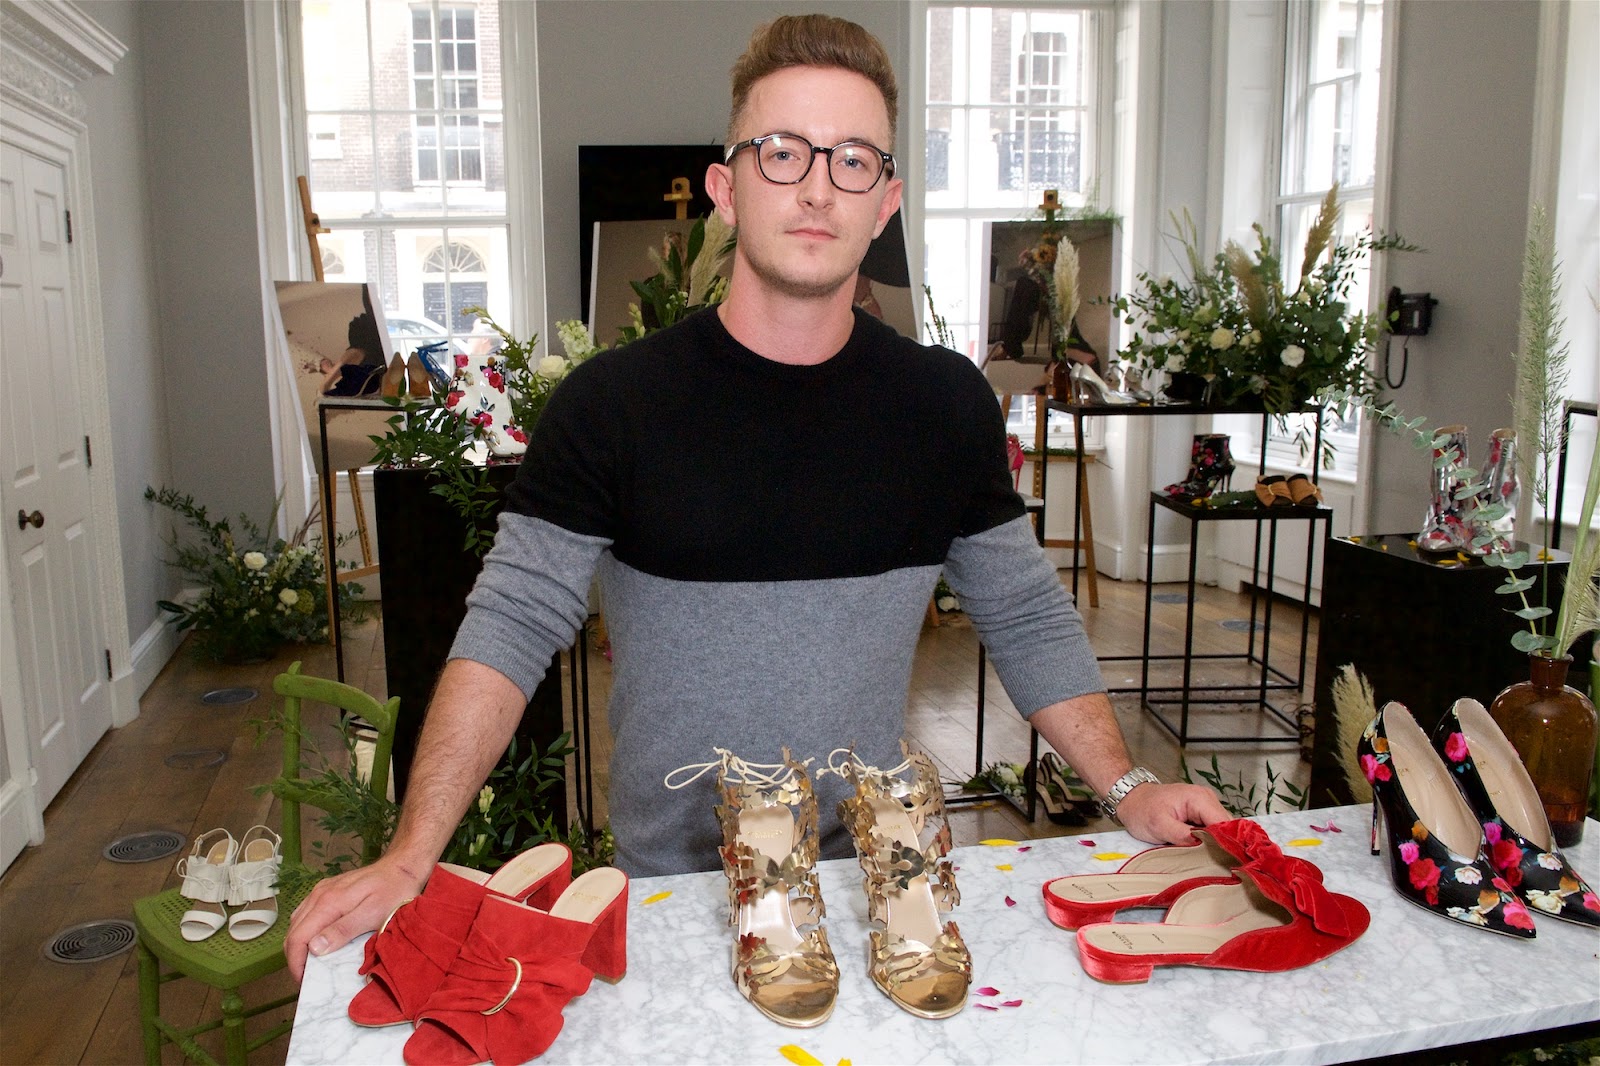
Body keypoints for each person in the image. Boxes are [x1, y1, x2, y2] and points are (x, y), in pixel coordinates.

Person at [286, 13, 1228, 981]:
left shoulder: (943, 405)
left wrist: (1127, 787)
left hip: (874, 903)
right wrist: (411, 856)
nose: (818, 187)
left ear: (886, 202)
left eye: (852, 159)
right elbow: (511, 626)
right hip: (670, 903)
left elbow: (1024, 612)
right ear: (727, 191)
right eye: (783, 152)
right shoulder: (613, 405)